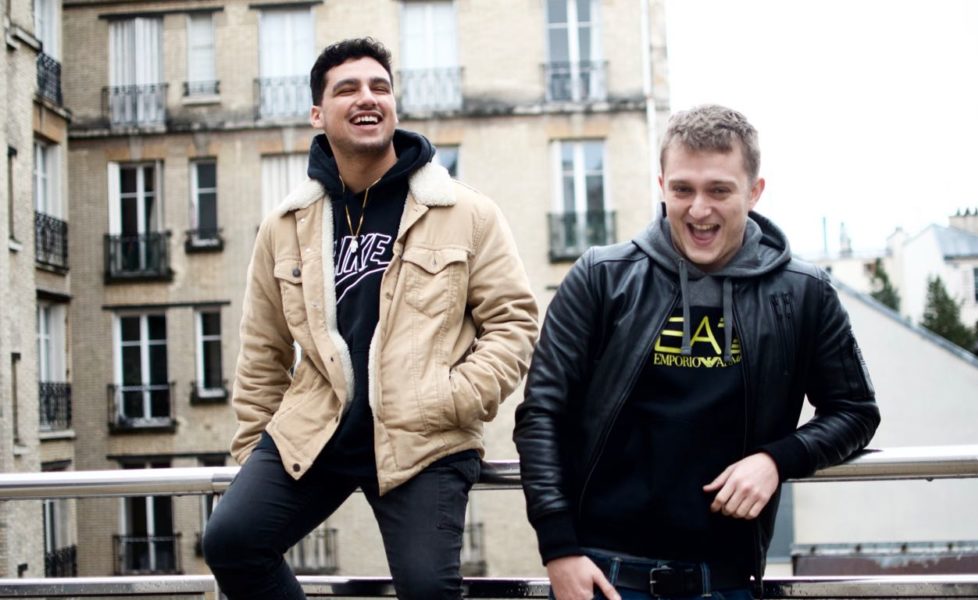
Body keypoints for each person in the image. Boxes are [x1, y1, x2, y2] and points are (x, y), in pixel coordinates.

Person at [203, 37, 539, 600]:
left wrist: (451, 397)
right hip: (316, 434)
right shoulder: (284, 226)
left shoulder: (465, 211)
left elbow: (514, 323)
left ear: (393, 105)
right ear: (317, 113)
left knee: (429, 590)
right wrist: (255, 452)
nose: (368, 97)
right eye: (348, 89)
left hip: (424, 439)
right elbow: (263, 348)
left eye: (380, 87)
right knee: (230, 542)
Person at [513, 104, 880, 600]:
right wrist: (558, 549)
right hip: (604, 575)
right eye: (682, 189)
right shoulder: (601, 278)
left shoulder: (802, 293)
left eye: (719, 191)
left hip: (727, 581)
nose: (699, 210)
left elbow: (855, 411)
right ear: (661, 185)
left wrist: (776, 460)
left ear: (755, 192)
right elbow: (541, 414)